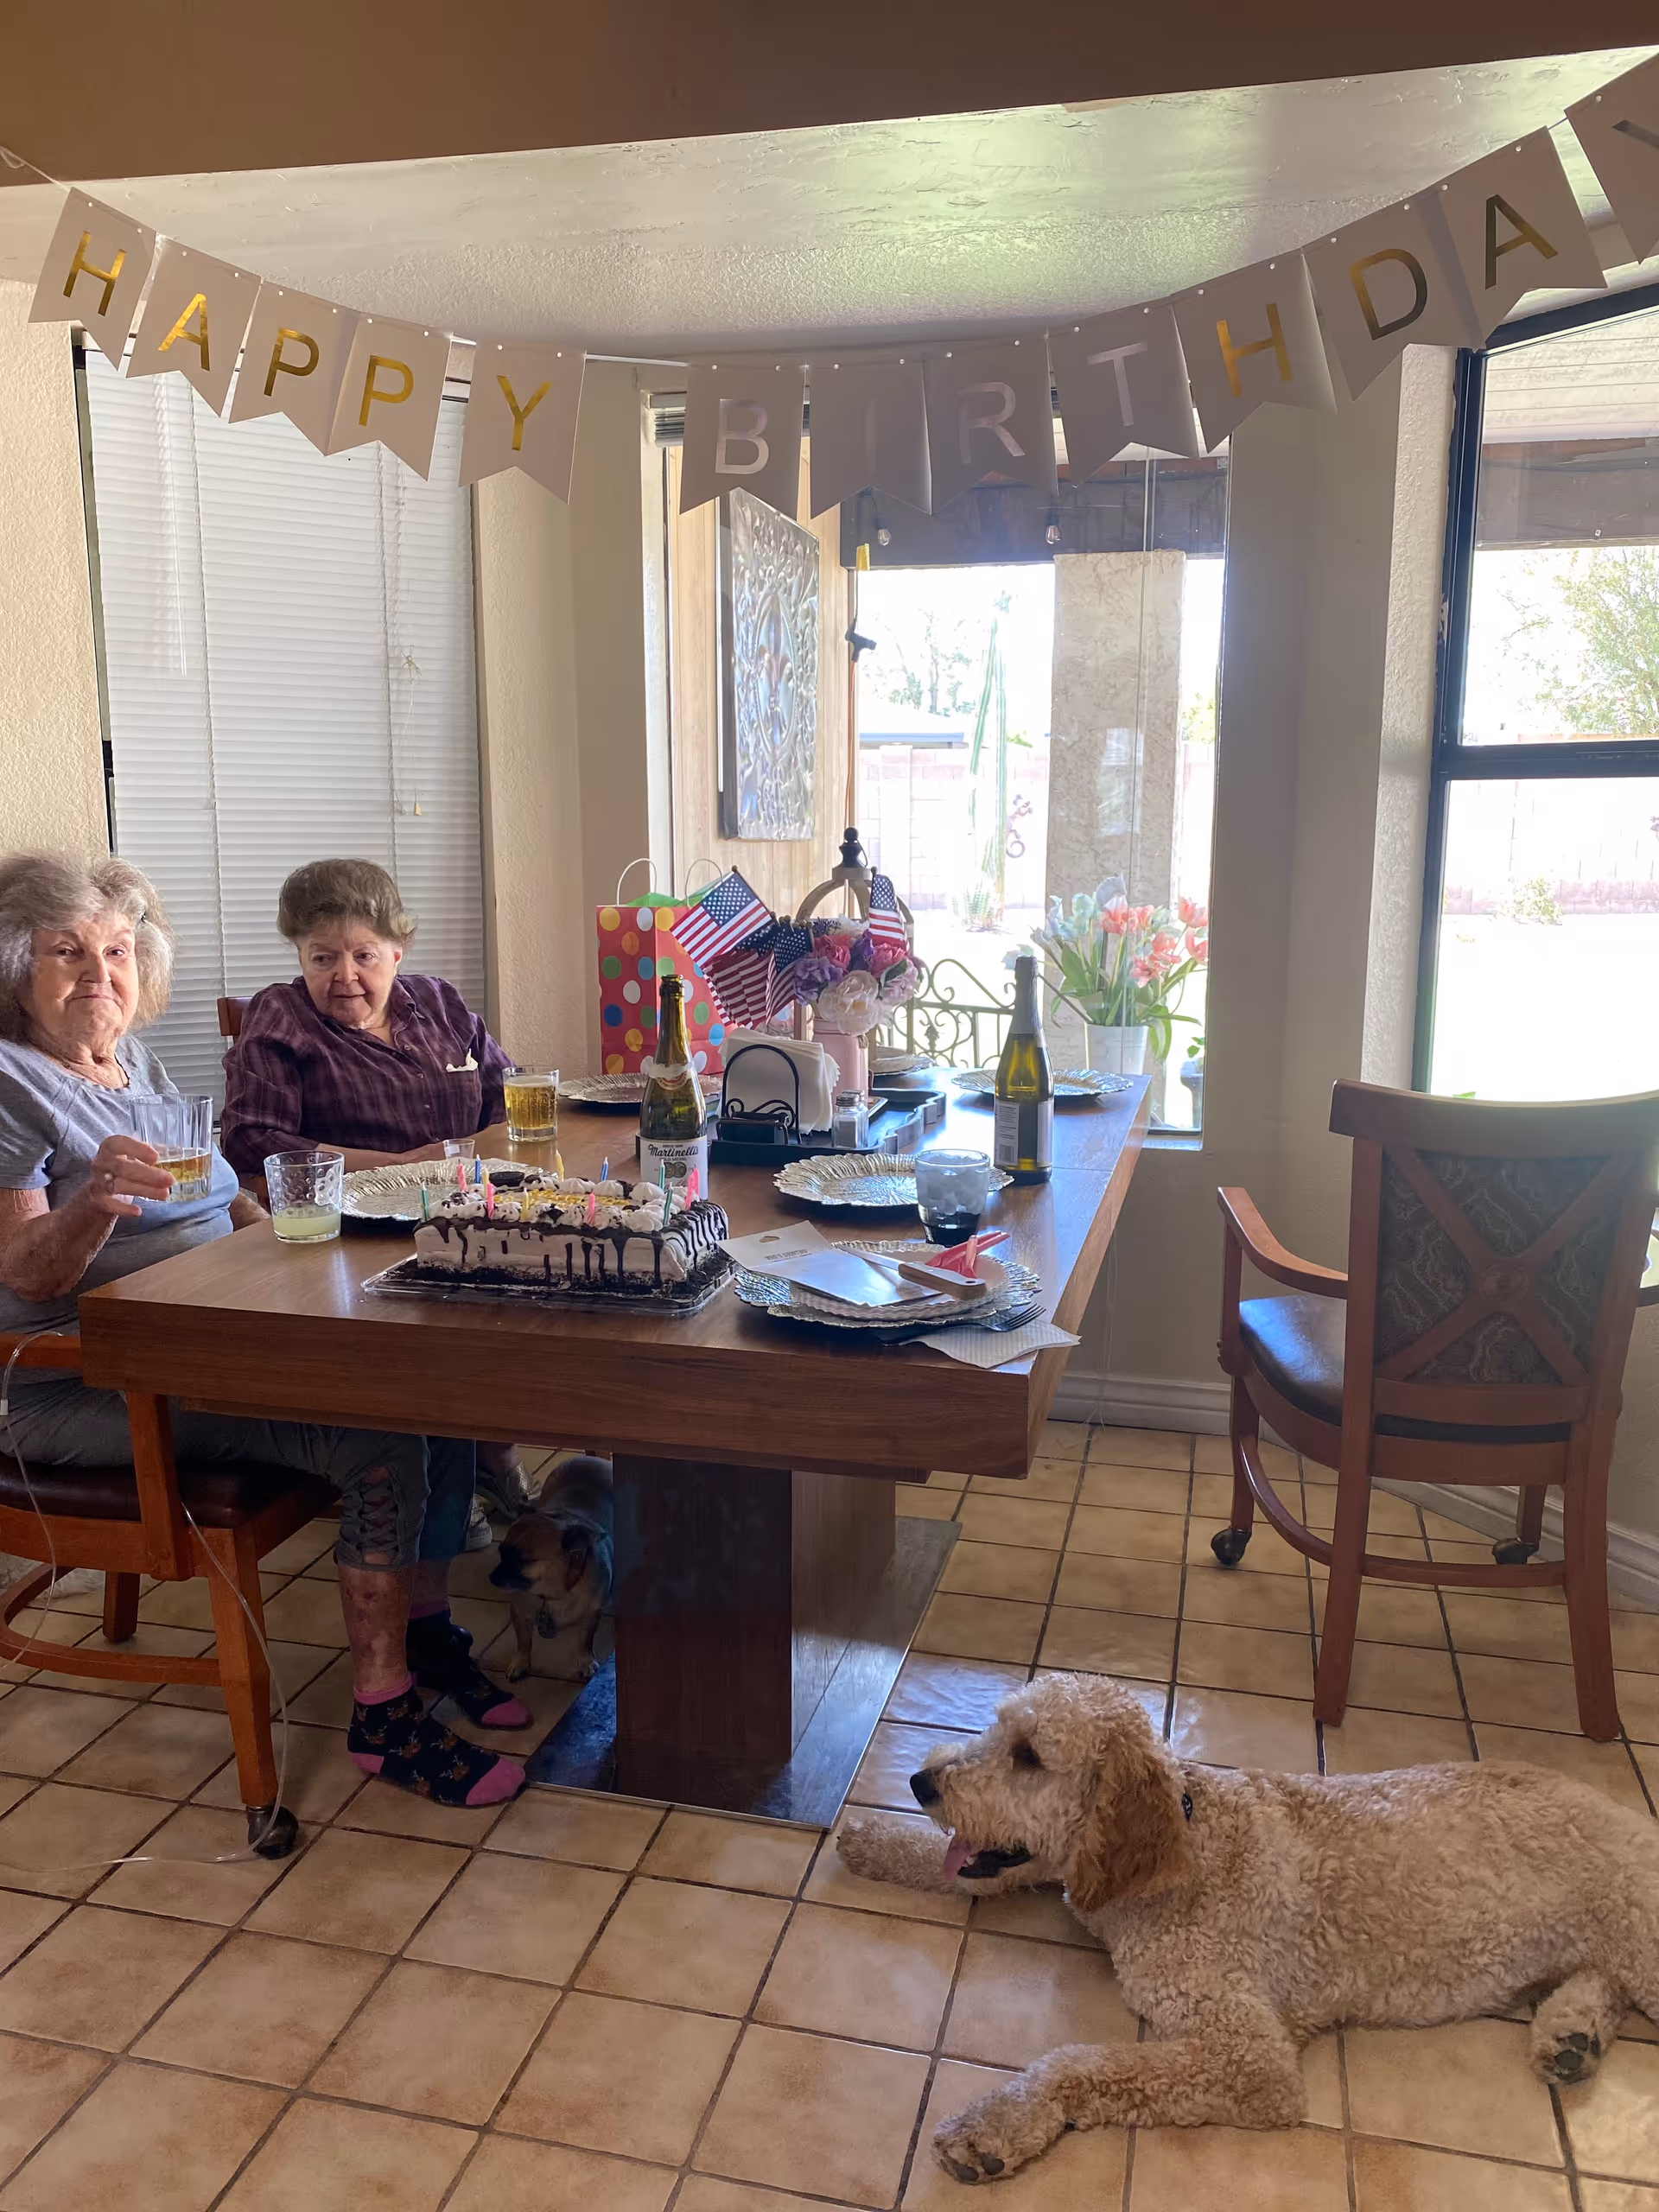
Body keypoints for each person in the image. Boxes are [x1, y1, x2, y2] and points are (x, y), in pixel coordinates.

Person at [0, 854, 528, 1816]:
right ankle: (382, 1711)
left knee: (439, 1398)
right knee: (380, 1439)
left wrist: (281, 1237)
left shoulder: (133, 1061)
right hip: (84, 1381)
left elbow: (219, 1190)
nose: (98, 973)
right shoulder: (9, 1082)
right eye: (65, 950)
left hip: (205, 1342)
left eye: (116, 949)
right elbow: (28, 1270)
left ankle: (429, 1632)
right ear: (12, 966)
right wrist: (96, 1209)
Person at [219, 858, 530, 1535]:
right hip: (352, 1238)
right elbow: (249, 1138)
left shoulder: (441, 1003)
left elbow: (511, 1095)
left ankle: (490, 1448)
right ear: (298, 954)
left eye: (363, 954)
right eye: (321, 956)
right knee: (450, 1330)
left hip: (464, 1214)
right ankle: (453, 1486)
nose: (345, 977)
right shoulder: (282, 1017)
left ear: (398, 948)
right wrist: (393, 1165)